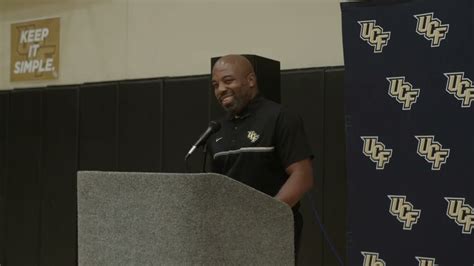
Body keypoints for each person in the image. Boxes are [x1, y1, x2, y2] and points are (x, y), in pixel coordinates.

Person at [207, 54, 314, 257]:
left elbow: (303, 176)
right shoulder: (217, 130)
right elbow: (216, 186)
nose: (220, 89)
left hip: (272, 229)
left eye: (228, 80)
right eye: (215, 84)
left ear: (250, 80)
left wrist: (265, 216)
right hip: (229, 234)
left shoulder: (280, 117)